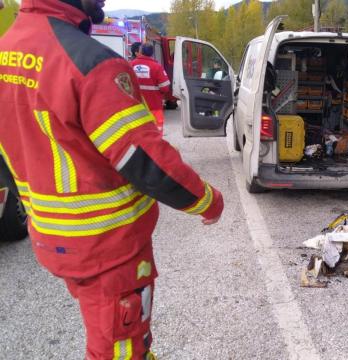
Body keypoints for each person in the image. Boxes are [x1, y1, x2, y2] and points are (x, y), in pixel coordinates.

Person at [0, 1, 223, 359]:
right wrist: (207, 199)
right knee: (119, 348)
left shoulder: (8, 51)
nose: (102, 0)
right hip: (108, 248)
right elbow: (143, 157)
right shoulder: (89, 63)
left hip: (53, 237)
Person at [131, 42, 171, 132]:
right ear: (152, 53)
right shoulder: (157, 67)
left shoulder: (131, 65)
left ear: (140, 51)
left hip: (136, 107)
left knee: (139, 131)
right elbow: (165, 88)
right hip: (154, 106)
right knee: (156, 131)